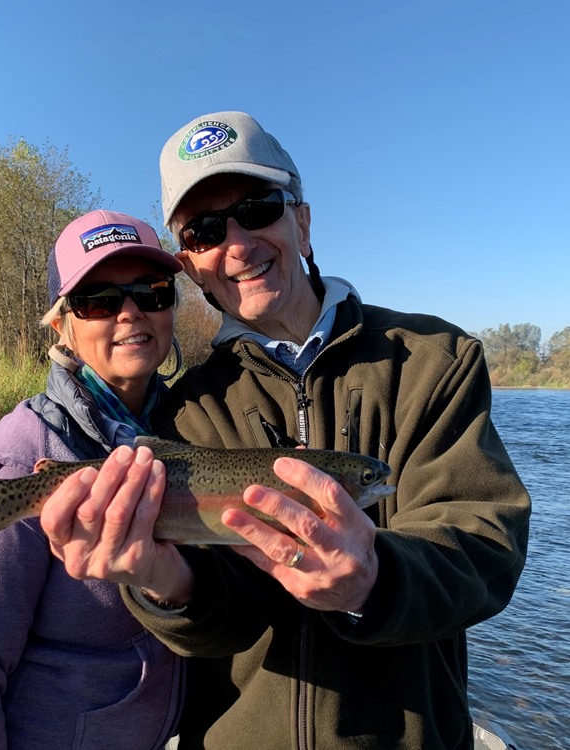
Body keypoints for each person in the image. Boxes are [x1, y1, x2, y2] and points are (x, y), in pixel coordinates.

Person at [39, 112, 531, 749]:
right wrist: (163, 584)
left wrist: (374, 579)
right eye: (206, 230)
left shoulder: (434, 359)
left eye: (258, 208)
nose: (237, 245)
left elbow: (486, 547)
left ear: (301, 221)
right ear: (190, 263)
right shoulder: (185, 407)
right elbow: (220, 618)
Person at [0, 210, 185, 750]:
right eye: (99, 301)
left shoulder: (186, 427)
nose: (131, 313)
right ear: (61, 322)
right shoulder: (16, 461)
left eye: (152, 292)